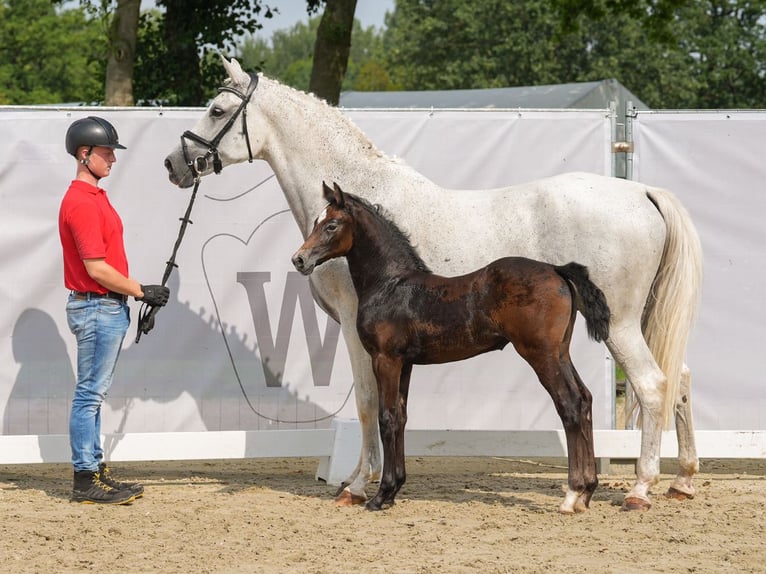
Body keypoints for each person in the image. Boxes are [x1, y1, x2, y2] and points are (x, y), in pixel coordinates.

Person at [59, 116, 170, 505]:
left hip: (104, 306)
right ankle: (84, 479)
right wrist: (142, 291)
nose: (113, 160)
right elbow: (96, 268)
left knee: (94, 393)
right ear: (84, 153)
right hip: (96, 307)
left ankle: (94, 470)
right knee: (89, 395)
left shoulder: (96, 197)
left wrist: (135, 294)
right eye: (107, 153)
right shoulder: (81, 203)